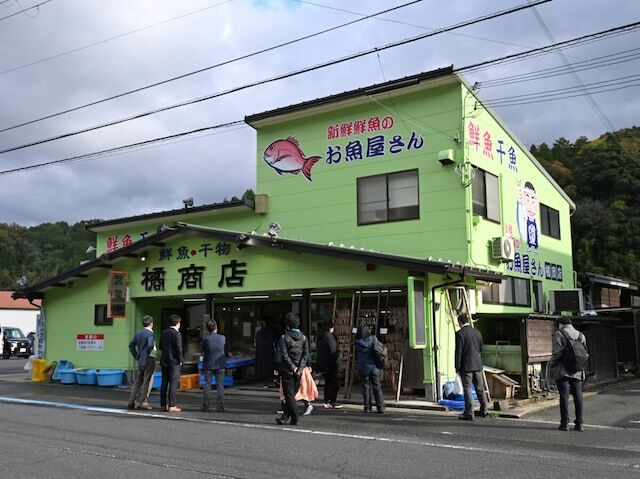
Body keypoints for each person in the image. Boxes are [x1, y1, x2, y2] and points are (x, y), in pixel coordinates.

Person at [549, 317, 586, 431]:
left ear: (560, 324)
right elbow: (584, 353)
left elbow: (557, 353)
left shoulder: (559, 334)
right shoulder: (581, 335)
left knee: (564, 396)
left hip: (562, 370)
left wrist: (552, 364)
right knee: (578, 397)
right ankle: (579, 424)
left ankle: (565, 423)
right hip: (577, 370)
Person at [275, 312, 309, 426]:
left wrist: (293, 367)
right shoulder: (304, 338)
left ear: (287, 324)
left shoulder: (284, 338)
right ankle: (285, 417)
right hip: (299, 372)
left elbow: (283, 355)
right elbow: (306, 354)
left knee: (289, 396)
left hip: (287, 370)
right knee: (291, 395)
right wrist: (299, 369)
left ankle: (295, 418)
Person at [455, 313, 488, 420]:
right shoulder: (477, 332)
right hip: (477, 364)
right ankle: (484, 410)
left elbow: (458, 352)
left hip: (466, 366)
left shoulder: (460, 334)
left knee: (467, 388)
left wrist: (457, 366)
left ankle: (469, 412)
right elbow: (480, 348)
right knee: (480, 388)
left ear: (460, 322)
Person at [127, 315, 156, 410]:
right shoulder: (150, 334)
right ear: (151, 323)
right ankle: (143, 402)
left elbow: (131, 345)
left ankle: (131, 401)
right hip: (149, 359)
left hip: (140, 360)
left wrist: (137, 355)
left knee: (138, 381)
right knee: (146, 381)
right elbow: (150, 344)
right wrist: (146, 353)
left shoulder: (138, 333)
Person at [355, 325, 385, 413]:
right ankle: (380, 407)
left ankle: (367, 407)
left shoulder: (357, 343)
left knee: (365, 388)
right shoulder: (373, 339)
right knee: (377, 387)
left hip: (362, 368)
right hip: (373, 367)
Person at [159, 314, 183, 413]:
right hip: (174, 362)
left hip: (164, 361)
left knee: (164, 383)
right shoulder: (177, 334)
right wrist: (181, 360)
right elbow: (179, 349)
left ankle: (163, 404)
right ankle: (172, 405)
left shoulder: (164, 333)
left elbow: (160, 346)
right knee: (173, 384)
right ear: (178, 323)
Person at [201, 319, 226, 412]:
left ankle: (206, 405)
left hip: (208, 363)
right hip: (220, 364)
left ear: (207, 329)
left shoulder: (205, 338)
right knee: (220, 385)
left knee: (207, 385)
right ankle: (220, 406)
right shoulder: (222, 338)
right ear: (216, 327)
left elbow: (203, 349)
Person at [317, 320, 342, 409]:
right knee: (333, 383)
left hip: (323, 364)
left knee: (327, 382)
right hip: (331, 364)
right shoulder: (330, 337)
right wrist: (336, 362)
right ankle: (332, 401)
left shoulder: (320, 337)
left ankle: (327, 400)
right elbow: (333, 351)